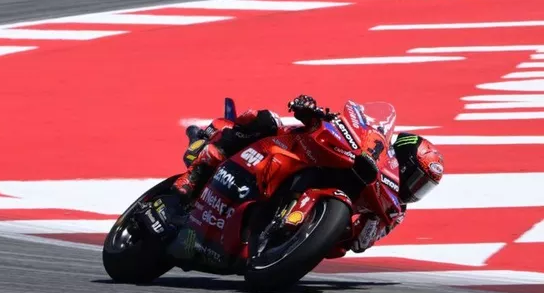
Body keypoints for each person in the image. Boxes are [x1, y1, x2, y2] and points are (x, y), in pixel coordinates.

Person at [170, 94, 444, 255]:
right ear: (403, 163)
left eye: (424, 187)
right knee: (264, 120)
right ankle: (197, 173)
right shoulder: (376, 150)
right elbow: (336, 122)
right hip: (284, 149)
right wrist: (311, 111)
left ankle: (273, 235)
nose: (415, 189)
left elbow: (360, 244)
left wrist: (360, 224)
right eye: (417, 179)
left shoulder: (394, 211)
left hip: (309, 235)